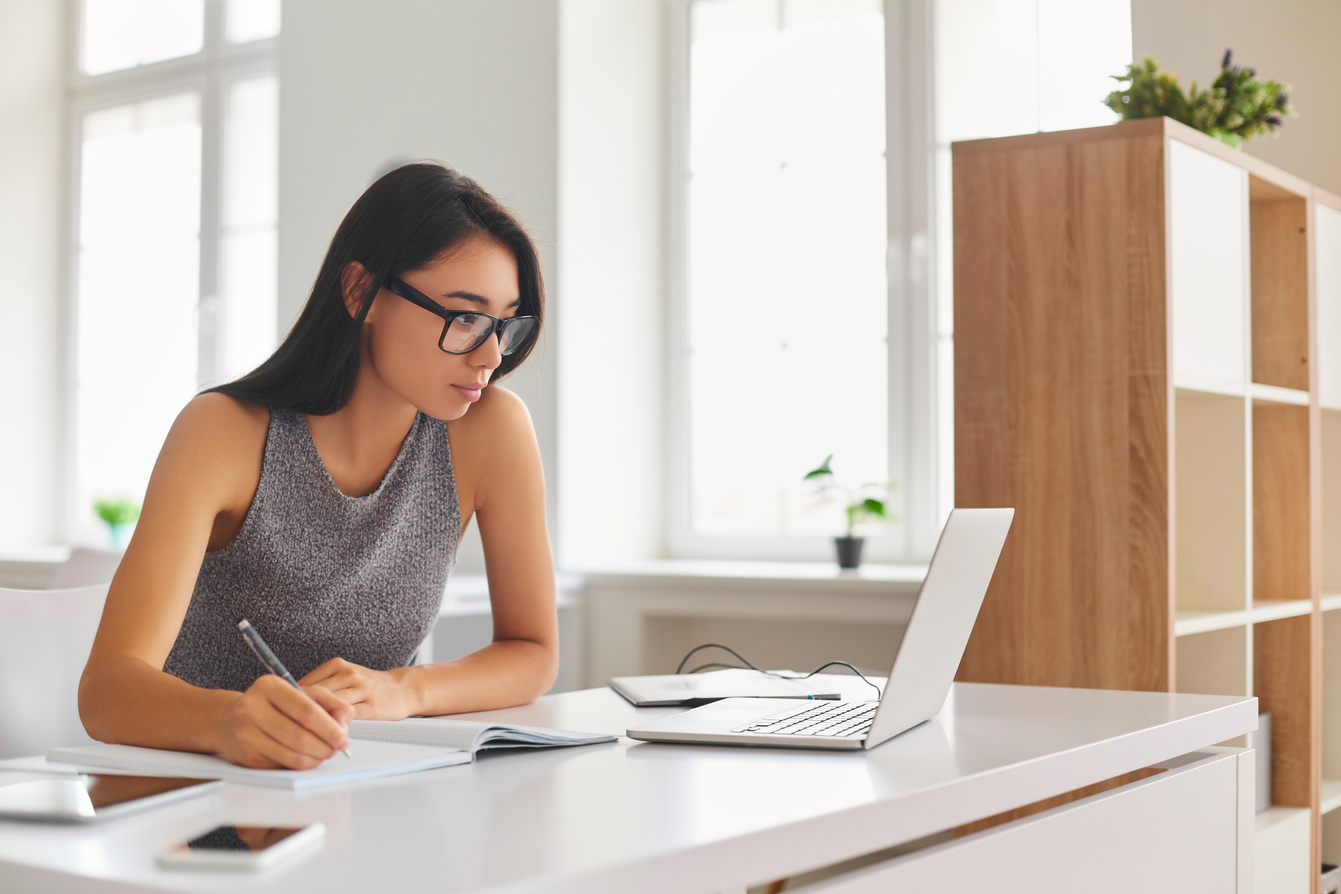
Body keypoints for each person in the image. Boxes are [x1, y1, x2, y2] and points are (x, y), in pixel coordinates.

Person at [79, 163, 557, 770]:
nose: (490, 355)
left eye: (504, 324)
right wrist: (230, 720)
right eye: (464, 317)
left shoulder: (491, 430)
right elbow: (106, 692)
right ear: (361, 291)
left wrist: (402, 690)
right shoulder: (224, 432)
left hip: (362, 794)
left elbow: (532, 650)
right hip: (198, 797)